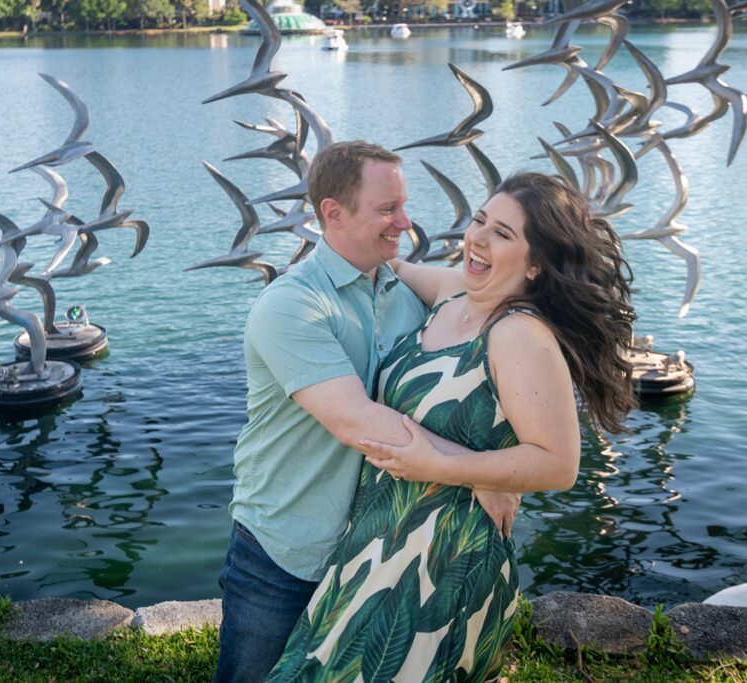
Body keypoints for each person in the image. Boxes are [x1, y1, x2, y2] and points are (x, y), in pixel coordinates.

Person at [267, 172, 637, 681]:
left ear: (535, 265)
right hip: (377, 540)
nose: (477, 238)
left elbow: (558, 464)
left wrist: (445, 465)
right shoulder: (452, 294)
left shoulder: (519, 334)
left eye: (502, 234)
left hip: (444, 559)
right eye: (480, 220)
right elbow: (383, 261)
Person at [213, 141, 522, 683]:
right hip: (287, 548)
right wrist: (484, 475)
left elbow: (498, 296)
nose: (405, 221)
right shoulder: (291, 305)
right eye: (387, 210)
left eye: (403, 205)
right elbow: (357, 421)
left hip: (377, 550)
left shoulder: (407, 290)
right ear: (332, 213)